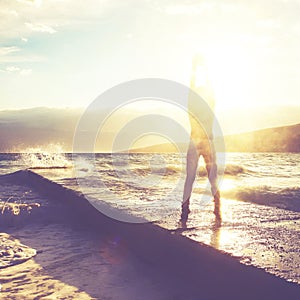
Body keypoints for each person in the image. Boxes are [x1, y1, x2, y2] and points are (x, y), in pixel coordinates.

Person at [181, 55, 221, 222]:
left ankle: (187, 209)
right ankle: (215, 208)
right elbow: (200, 87)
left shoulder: (196, 103)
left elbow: (196, 87)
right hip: (201, 142)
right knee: (208, 176)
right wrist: (201, 68)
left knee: (196, 177)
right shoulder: (204, 104)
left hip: (200, 142)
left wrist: (197, 68)